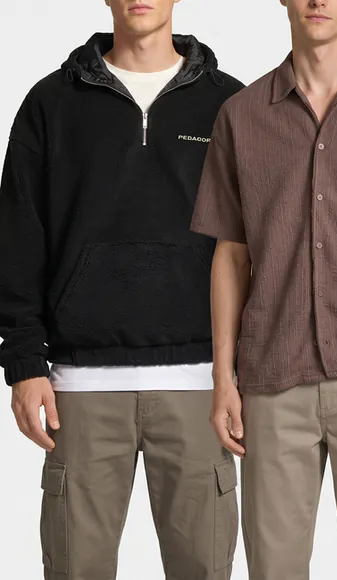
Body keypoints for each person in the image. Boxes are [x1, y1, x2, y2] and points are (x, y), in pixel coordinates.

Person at [0, 1, 244, 578]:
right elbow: (17, 240)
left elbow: (254, 244)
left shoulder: (230, 103)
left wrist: (245, 371)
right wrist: (25, 364)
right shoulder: (51, 102)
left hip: (202, 387)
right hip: (79, 389)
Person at [189, 0, 337, 578]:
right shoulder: (241, 114)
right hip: (272, 379)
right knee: (273, 568)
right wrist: (223, 378)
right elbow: (231, 255)